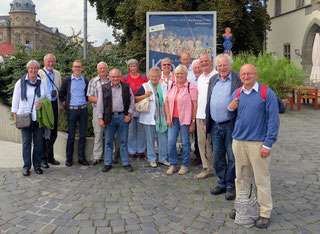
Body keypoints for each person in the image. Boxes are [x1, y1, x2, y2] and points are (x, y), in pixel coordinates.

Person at [228, 64, 280, 228]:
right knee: (241, 178)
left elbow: (273, 120)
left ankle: (264, 212)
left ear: (256, 75)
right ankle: (242, 207)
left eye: (249, 73)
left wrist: (268, 144)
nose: (246, 76)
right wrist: (230, 108)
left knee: (261, 179)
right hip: (238, 141)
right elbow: (232, 115)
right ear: (240, 76)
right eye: (243, 74)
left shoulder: (266, 93)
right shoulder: (237, 93)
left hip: (258, 144)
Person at [205, 54, 242, 199]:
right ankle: (221, 182)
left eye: (224, 65)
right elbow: (209, 101)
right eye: (219, 66)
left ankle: (231, 185)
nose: (222, 68)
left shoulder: (238, 79)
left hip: (231, 124)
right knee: (218, 156)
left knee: (232, 156)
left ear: (230, 65)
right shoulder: (213, 79)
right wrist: (206, 122)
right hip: (215, 124)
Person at [12, 60, 50, 176]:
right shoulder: (20, 83)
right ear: (28, 69)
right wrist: (15, 116)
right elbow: (15, 100)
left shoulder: (42, 82)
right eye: (31, 68)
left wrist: (42, 103)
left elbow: (47, 97)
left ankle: (37, 165)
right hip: (24, 116)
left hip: (37, 117)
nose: (33, 70)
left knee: (38, 143)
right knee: (26, 143)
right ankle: (26, 166)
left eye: (35, 68)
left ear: (38, 70)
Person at [96, 69, 135, 172]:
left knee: (123, 141)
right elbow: (100, 104)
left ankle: (126, 163)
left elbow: (132, 102)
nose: (115, 79)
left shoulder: (126, 87)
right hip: (109, 118)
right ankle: (107, 163)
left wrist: (129, 115)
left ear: (120, 76)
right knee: (108, 141)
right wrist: (100, 118)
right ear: (110, 77)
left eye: (117, 76)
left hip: (123, 117)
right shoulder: (104, 88)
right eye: (113, 77)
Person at [165, 65, 198, 175]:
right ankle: (173, 164)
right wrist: (168, 117)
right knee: (170, 142)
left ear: (186, 75)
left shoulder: (190, 87)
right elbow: (166, 102)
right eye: (177, 73)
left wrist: (193, 122)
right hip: (173, 120)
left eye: (181, 73)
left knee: (185, 143)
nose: (179, 75)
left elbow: (195, 105)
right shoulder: (171, 86)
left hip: (185, 120)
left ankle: (185, 165)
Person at [135, 67, 170, 168]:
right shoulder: (145, 86)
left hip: (161, 118)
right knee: (150, 139)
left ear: (160, 77)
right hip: (148, 118)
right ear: (149, 76)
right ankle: (152, 159)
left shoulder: (164, 86)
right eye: (152, 76)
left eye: (156, 76)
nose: (154, 78)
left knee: (163, 138)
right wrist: (146, 95)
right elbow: (135, 98)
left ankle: (163, 158)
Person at [59, 60, 89, 167]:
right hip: (71, 111)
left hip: (83, 110)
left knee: (82, 135)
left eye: (79, 67)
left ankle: (81, 158)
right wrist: (65, 104)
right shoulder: (67, 80)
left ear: (82, 68)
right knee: (71, 135)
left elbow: (88, 94)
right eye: (75, 67)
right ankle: (69, 158)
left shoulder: (85, 80)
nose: (77, 69)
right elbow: (61, 94)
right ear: (72, 68)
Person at [195, 53, 219, 179]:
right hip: (199, 115)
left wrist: (207, 117)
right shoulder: (200, 78)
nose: (203, 63)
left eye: (205, 61)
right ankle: (207, 167)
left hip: (210, 116)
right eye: (201, 61)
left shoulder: (216, 76)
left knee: (210, 143)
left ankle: (210, 168)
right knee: (201, 142)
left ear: (211, 61)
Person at [38, 54, 62, 168]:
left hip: (54, 104)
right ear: (44, 62)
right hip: (44, 105)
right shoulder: (39, 73)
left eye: (53, 61)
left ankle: (50, 157)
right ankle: (43, 158)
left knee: (53, 132)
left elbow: (60, 90)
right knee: (44, 133)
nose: (51, 63)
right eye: (49, 61)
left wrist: (60, 107)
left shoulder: (57, 73)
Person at [121, 59, 148, 158]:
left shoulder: (144, 77)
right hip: (130, 106)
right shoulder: (125, 78)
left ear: (137, 66)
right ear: (128, 67)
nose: (133, 68)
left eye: (134, 66)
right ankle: (132, 150)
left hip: (142, 106)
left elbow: (147, 90)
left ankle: (141, 150)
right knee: (131, 129)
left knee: (141, 129)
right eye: (131, 66)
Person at [87, 62, 109, 165]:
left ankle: (111, 156)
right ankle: (97, 157)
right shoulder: (93, 81)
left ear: (107, 69)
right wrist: (101, 101)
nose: (102, 70)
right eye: (100, 68)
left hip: (110, 111)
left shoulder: (112, 80)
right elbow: (90, 97)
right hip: (97, 110)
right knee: (98, 133)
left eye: (104, 68)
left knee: (110, 134)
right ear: (97, 70)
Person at [188, 59, 202, 166]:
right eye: (195, 68)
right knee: (197, 135)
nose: (197, 69)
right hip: (193, 111)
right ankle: (198, 156)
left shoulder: (207, 78)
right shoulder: (190, 79)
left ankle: (207, 156)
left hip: (204, 111)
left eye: (198, 67)